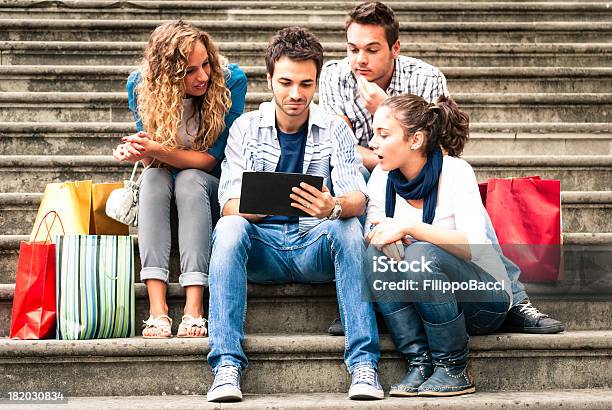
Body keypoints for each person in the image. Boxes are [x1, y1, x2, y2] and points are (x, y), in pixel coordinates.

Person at [320, 1, 564, 336]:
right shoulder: (335, 76)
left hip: (423, 171)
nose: (360, 60)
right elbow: (341, 147)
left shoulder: (425, 78)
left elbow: (443, 150)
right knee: (355, 185)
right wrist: (385, 156)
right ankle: (366, 300)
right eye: (353, 49)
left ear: (395, 48)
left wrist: (387, 109)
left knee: (457, 180)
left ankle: (515, 297)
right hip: (368, 170)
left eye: (372, 50)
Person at [205, 27, 383, 402]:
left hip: (312, 246)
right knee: (230, 227)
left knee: (348, 226)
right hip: (262, 249)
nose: (296, 94)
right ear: (269, 79)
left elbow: (358, 197)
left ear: (316, 81)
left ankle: (364, 365)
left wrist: (332, 206)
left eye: (306, 83)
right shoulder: (245, 128)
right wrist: (257, 205)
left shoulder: (335, 128)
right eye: (285, 82)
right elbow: (228, 204)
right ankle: (226, 366)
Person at [363, 93, 510, 396]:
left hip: (482, 301)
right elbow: (373, 230)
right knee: (374, 253)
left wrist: (411, 228)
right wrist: (386, 237)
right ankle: (420, 361)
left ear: (415, 140)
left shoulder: (456, 172)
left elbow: (474, 246)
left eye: (384, 134)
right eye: (374, 133)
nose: (373, 143)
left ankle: (454, 367)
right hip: (424, 300)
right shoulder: (381, 176)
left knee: (420, 253)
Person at [112, 20, 247, 338]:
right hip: (163, 192)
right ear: (166, 76)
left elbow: (210, 159)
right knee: (153, 178)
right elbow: (154, 160)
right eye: (189, 71)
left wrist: (156, 149)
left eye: (206, 64)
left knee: (189, 178)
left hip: (207, 190)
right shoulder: (140, 86)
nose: (202, 76)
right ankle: (157, 310)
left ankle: (193, 307)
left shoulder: (231, 81)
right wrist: (140, 152)